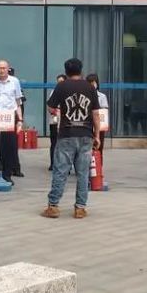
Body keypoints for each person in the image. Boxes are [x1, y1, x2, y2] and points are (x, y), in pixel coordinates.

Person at [42, 58, 101, 219]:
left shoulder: (62, 86)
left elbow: (50, 107)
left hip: (66, 135)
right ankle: (80, 208)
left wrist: (59, 111)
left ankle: (53, 206)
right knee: (83, 173)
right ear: (81, 70)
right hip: (86, 135)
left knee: (60, 171)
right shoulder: (90, 87)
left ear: (66, 71)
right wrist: (97, 135)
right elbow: (96, 114)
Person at [9, 66, 26, 177]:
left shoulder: (16, 86)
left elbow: (20, 105)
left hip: (13, 120)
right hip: (0, 120)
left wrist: (20, 120)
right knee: (0, 145)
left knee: (13, 145)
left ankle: (15, 169)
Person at [48, 73, 67, 171]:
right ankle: (53, 163)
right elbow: (49, 106)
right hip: (55, 120)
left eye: (62, 82)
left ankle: (65, 164)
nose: (59, 84)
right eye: (58, 82)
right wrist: (55, 111)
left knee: (65, 143)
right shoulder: (53, 92)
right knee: (54, 142)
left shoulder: (69, 91)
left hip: (65, 121)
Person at [86, 73, 108, 151]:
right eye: (90, 83)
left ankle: (99, 159)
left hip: (99, 125)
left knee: (99, 147)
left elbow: (104, 110)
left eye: (93, 82)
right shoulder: (85, 96)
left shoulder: (102, 96)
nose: (92, 85)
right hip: (87, 125)